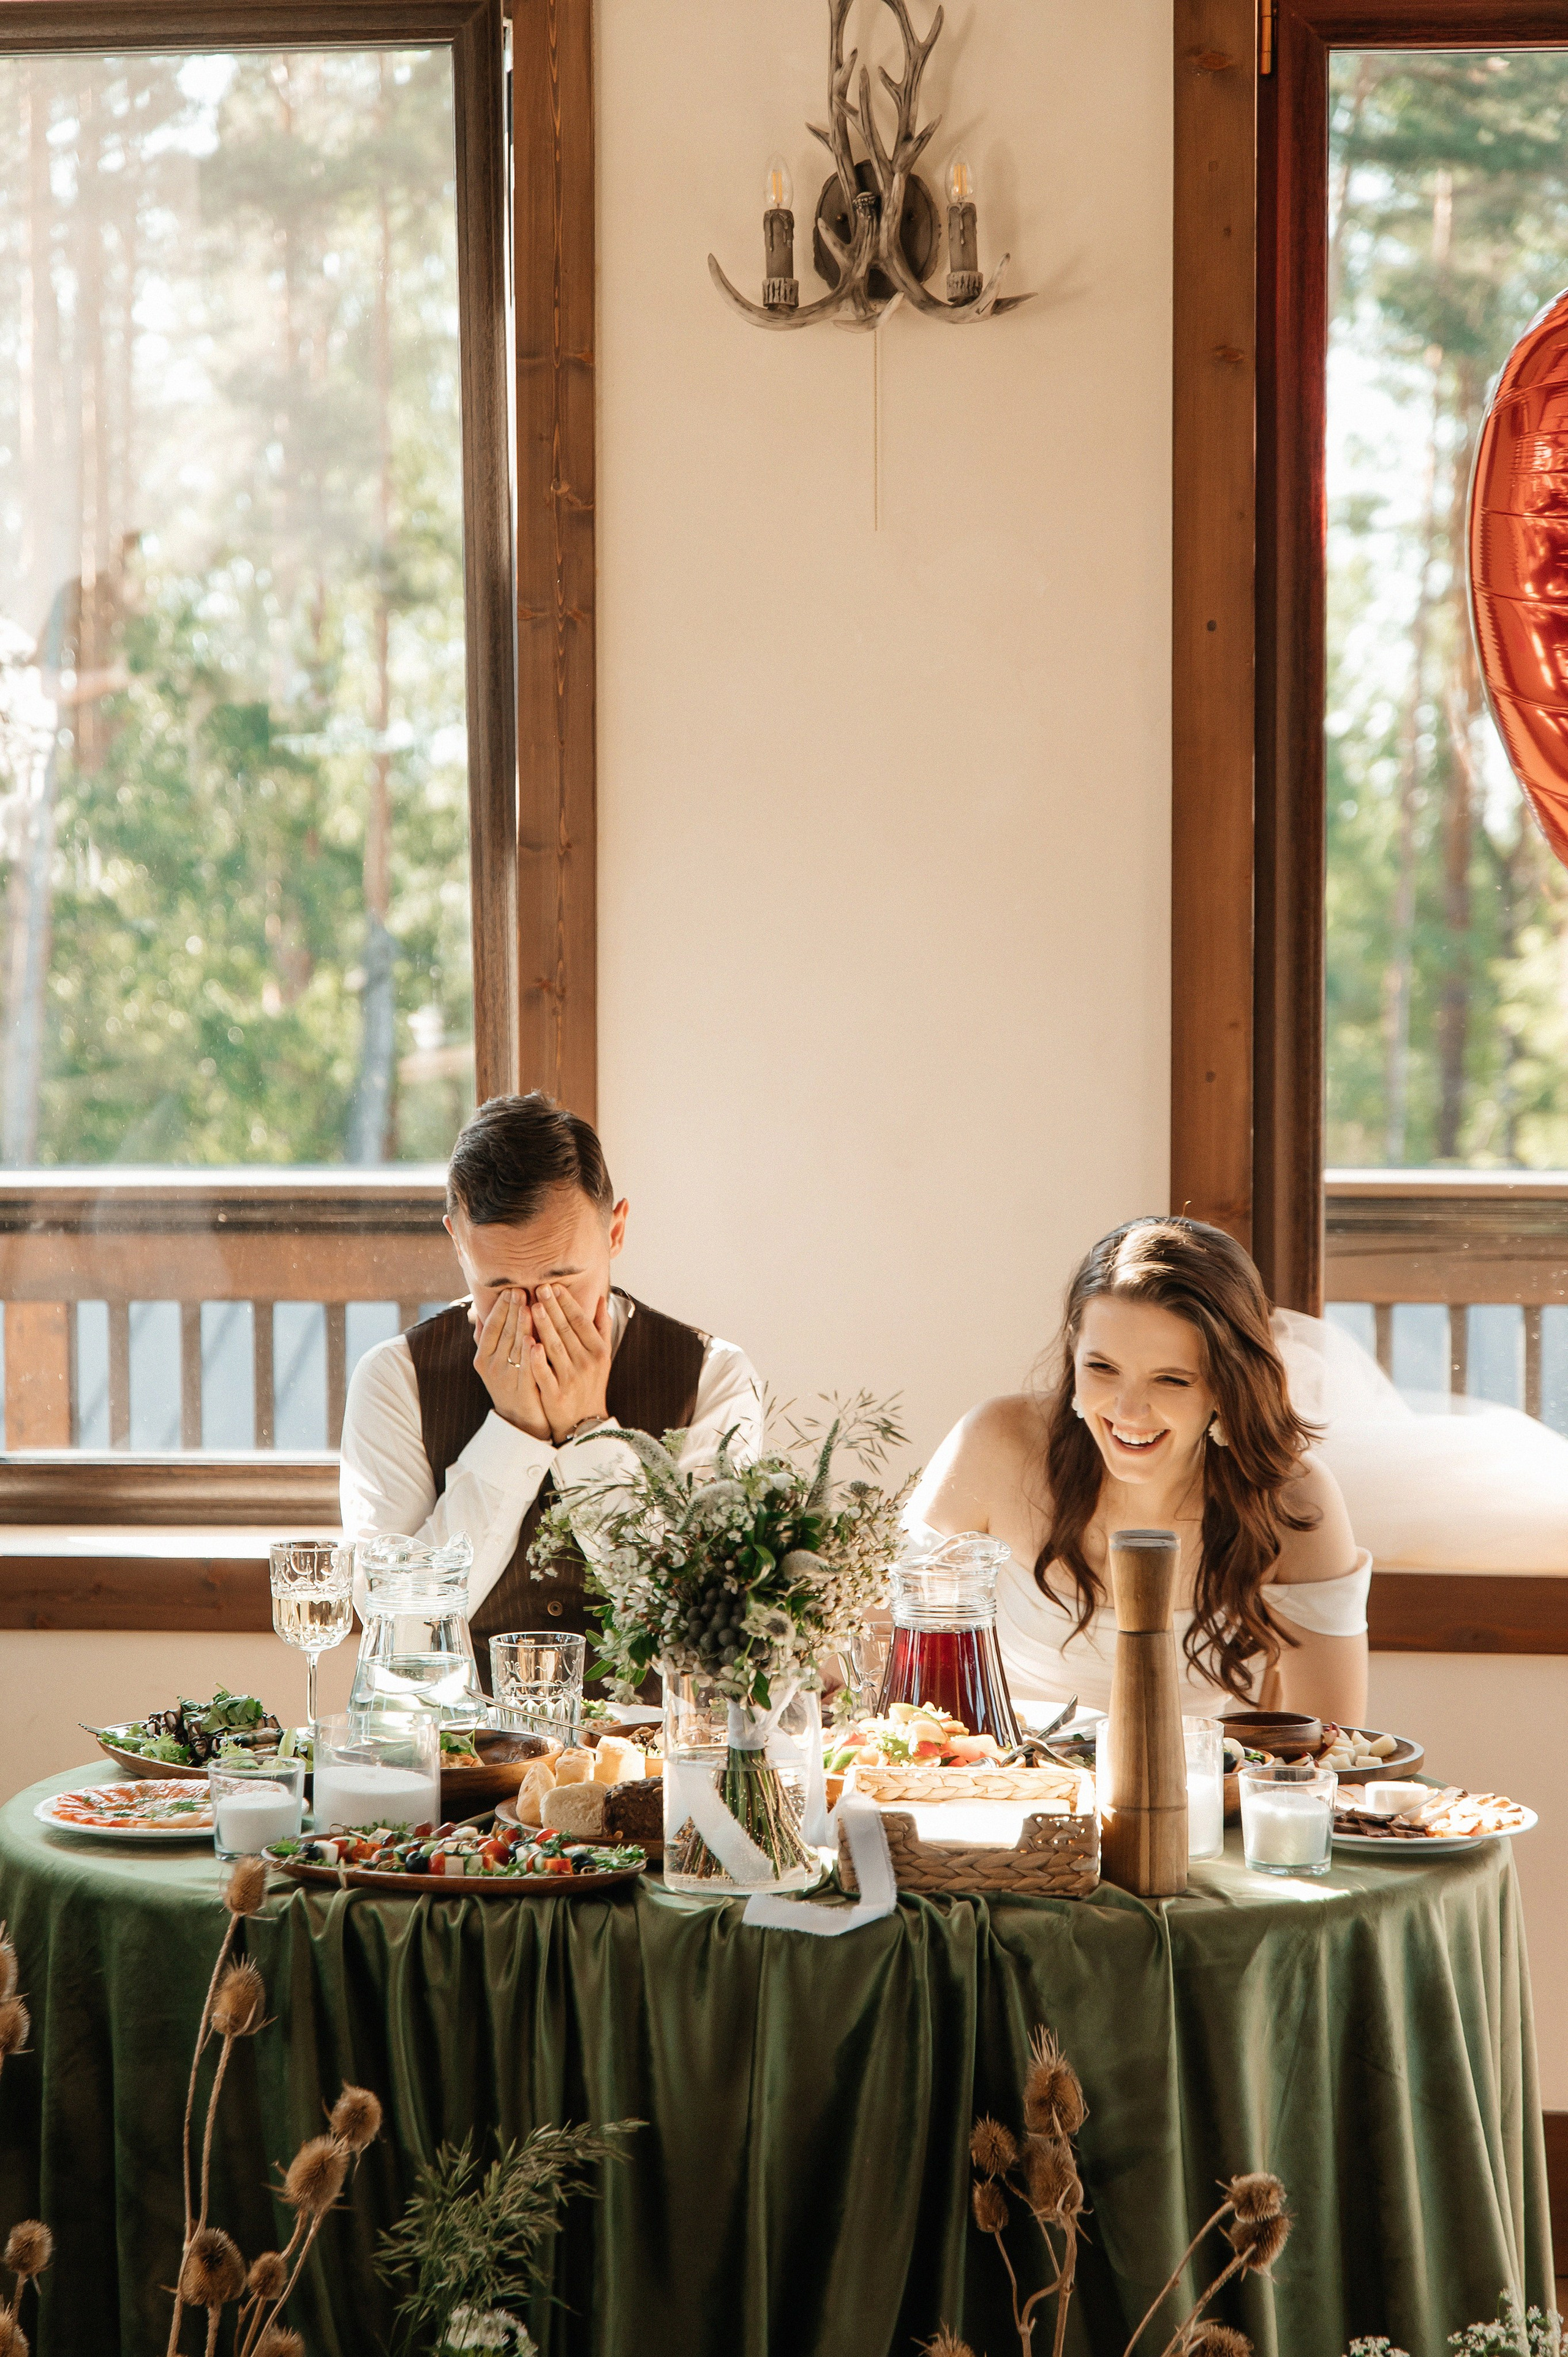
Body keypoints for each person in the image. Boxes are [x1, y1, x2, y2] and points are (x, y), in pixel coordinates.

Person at [340, 1093, 762, 1654]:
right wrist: (514, 1432)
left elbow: (704, 1625)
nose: (537, 1313)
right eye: (501, 1288)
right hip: (461, 1739)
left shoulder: (713, 1377)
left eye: (562, 1280)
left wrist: (589, 1431)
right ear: (459, 1246)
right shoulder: (394, 1379)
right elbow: (397, 1633)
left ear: (615, 1232)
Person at [908, 1215, 1370, 1724]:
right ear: (1072, 1351)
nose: (1127, 1412)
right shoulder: (996, 1442)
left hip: (1189, 1796)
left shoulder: (1294, 1499)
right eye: (1102, 1368)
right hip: (996, 1788)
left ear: (1226, 1385)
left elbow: (1333, 1744)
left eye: (1171, 1379)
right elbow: (876, 1652)